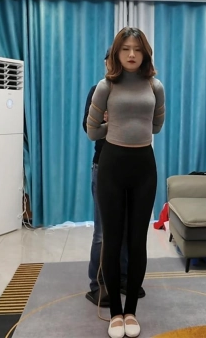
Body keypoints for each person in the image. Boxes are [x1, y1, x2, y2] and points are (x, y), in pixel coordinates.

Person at [87, 27, 165, 338]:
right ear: (117, 53)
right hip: (111, 168)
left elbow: (156, 126)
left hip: (144, 168)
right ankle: (115, 313)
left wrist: (130, 124)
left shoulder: (155, 86)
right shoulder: (105, 86)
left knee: (137, 242)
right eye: (125, 49)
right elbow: (92, 131)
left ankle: (131, 311)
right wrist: (116, 127)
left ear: (145, 53)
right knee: (112, 239)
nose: (132, 54)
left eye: (137, 49)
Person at [83, 50, 146, 307]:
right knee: (104, 232)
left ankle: (122, 279)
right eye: (109, 62)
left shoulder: (138, 92)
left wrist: (122, 119)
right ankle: (97, 285)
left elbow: (146, 125)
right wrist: (114, 123)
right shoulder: (98, 91)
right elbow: (89, 129)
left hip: (133, 167)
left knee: (129, 229)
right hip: (104, 167)